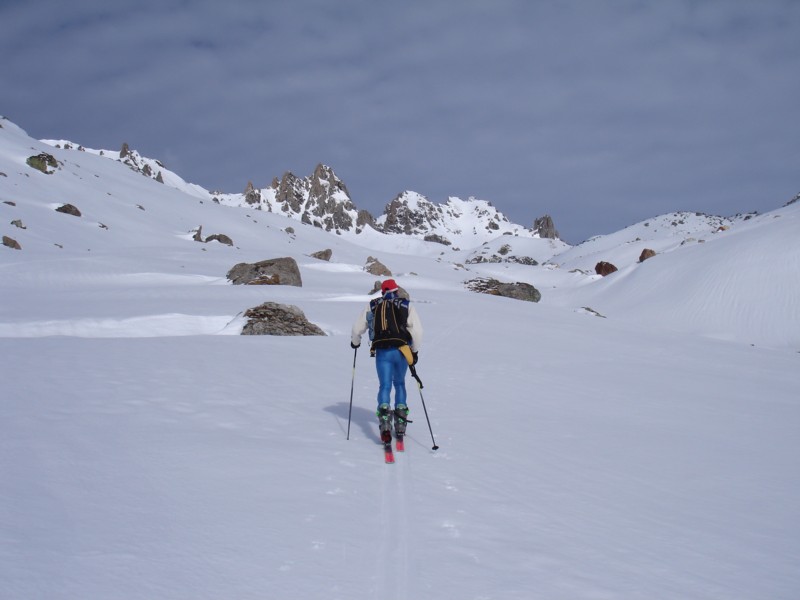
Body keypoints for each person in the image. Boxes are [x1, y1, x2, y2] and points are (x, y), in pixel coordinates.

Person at [351, 279, 423, 442]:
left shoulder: (373, 305)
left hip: (382, 351)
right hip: (402, 351)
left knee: (384, 385)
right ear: (397, 290)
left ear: (382, 292)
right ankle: (400, 421)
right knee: (399, 384)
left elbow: (357, 329)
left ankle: (384, 419)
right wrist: (415, 351)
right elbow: (417, 331)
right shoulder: (406, 305)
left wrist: (355, 342)